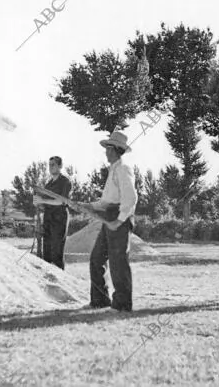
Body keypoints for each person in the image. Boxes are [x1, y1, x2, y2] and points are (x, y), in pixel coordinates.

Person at [78, 131, 138, 312]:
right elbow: (107, 201)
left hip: (119, 218)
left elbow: (130, 199)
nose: (105, 152)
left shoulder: (123, 169)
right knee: (96, 259)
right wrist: (89, 205)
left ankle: (122, 304)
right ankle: (100, 300)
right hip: (109, 216)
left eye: (107, 149)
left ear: (114, 150)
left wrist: (118, 222)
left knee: (118, 262)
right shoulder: (113, 170)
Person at [32, 156, 72, 269]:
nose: (50, 167)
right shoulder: (48, 184)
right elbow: (43, 202)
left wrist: (42, 200)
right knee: (47, 253)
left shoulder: (65, 182)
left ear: (60, 166)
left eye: (53, 165)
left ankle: (61, 283)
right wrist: (37, 203)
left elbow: (61, 201)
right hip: (48, 218)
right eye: (49, 165)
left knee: (57, 252)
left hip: (60, 218)